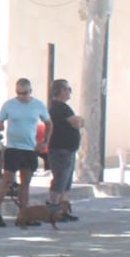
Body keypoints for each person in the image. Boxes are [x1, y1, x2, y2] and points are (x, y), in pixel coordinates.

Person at [0, 77, 49, 225]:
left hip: (29, 149)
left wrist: (45, 142)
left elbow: (49, 123)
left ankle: (24, 216)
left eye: (25, 93)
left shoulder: (38, 105)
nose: (22, 96)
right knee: (7, 181)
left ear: (31, 91)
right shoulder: (9, 105)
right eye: (19, 93)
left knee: (25, 183)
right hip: (13, 148)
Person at [45, 79, 84, 219]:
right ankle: (53, 210)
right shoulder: (59, 108)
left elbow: (78, 122)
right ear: (60, 91)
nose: (69, 92)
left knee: (66, 182)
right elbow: (77, 123)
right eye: (67, 89)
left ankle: (63, 211)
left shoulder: (65, 107)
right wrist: (78, 120)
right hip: (60, 150)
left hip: (68, 150)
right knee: (60, 180)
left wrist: (79, 120)